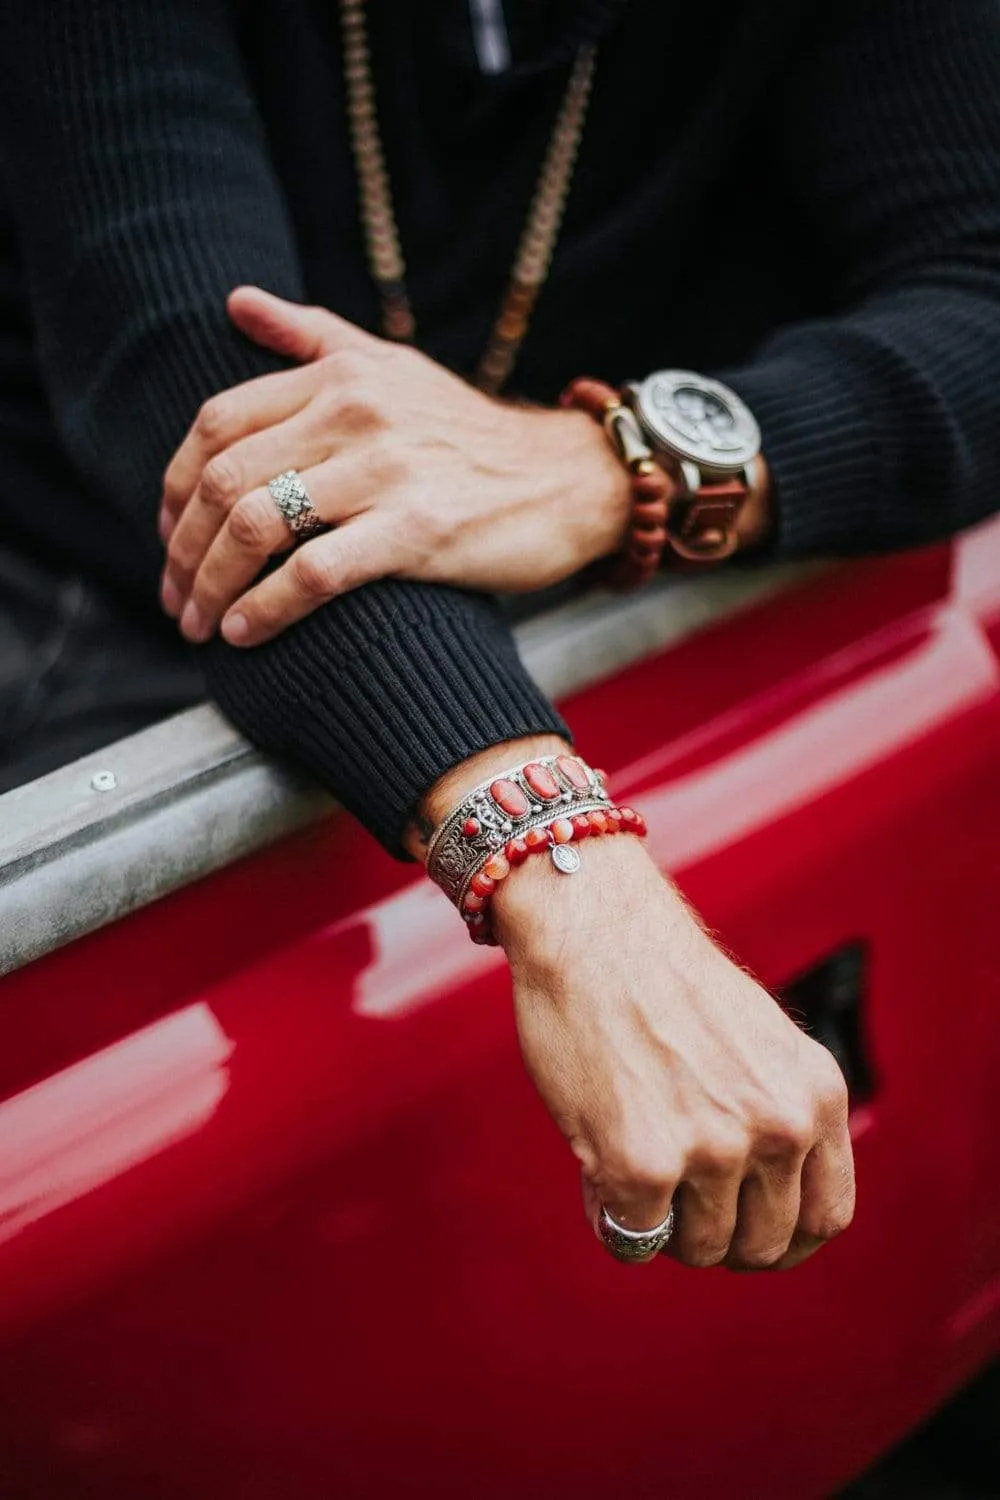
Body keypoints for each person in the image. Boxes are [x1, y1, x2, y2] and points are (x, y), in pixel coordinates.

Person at [2, 0, 999, 1273]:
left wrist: (603, 466)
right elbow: (215, 416)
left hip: (577, 586)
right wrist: (569, 877)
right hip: (98, 606)